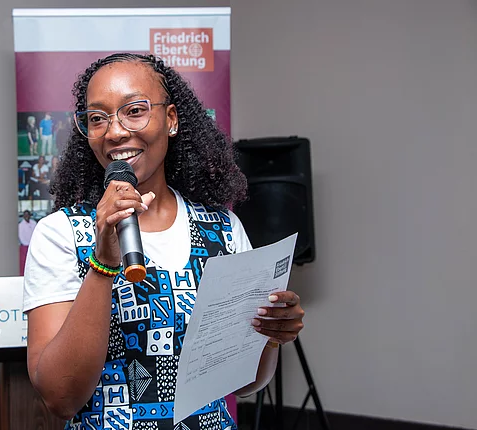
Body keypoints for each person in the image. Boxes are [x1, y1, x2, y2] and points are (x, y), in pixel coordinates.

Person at [23, 53, 305, 430]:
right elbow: (59, 399)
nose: (115, 131)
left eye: (134, 111)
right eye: (97, 118)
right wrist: (104, 264)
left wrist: (270, 336)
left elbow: (245, 384)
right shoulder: (61, 234)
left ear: (171, 119)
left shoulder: (223, 229)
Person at [18, 210, 37, 275]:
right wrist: (27, 244)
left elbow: (36, 233)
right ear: (23, 216)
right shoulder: (20, 225)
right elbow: (21, 237)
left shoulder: (34, 223)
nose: (27, 216)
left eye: (28, 215)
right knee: (24, 262)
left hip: (33, 245)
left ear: (30, 215)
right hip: (25, 246)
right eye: (25, 215)